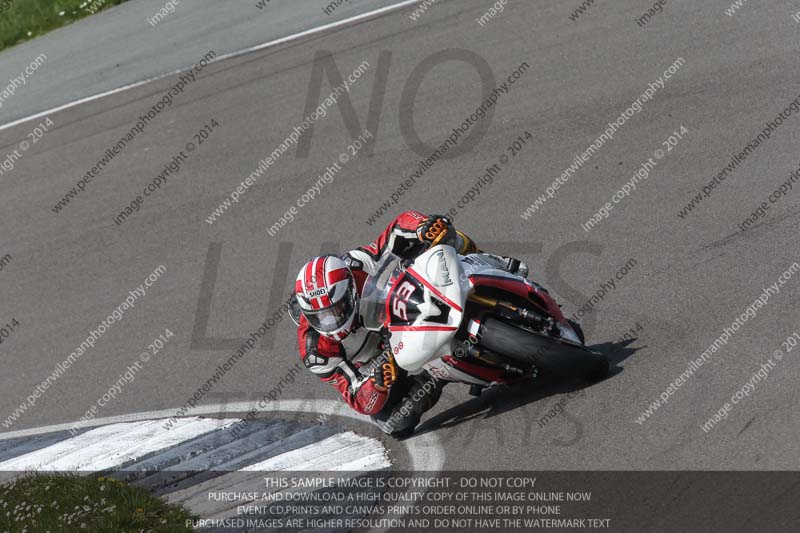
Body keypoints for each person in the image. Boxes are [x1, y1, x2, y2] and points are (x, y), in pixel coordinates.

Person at [292, 211, 528, 437]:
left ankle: (491, 264)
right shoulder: (315, 351)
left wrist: (421, 228)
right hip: (388, 361)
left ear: (349, 290)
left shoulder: (356, 266)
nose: (331, 321)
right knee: (393, 422)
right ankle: (437, 374)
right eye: (321, 316)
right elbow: (355, 395)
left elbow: (394, 232)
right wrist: (376, 385)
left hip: (403, 307)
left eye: (336, 309)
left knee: (441, 236)